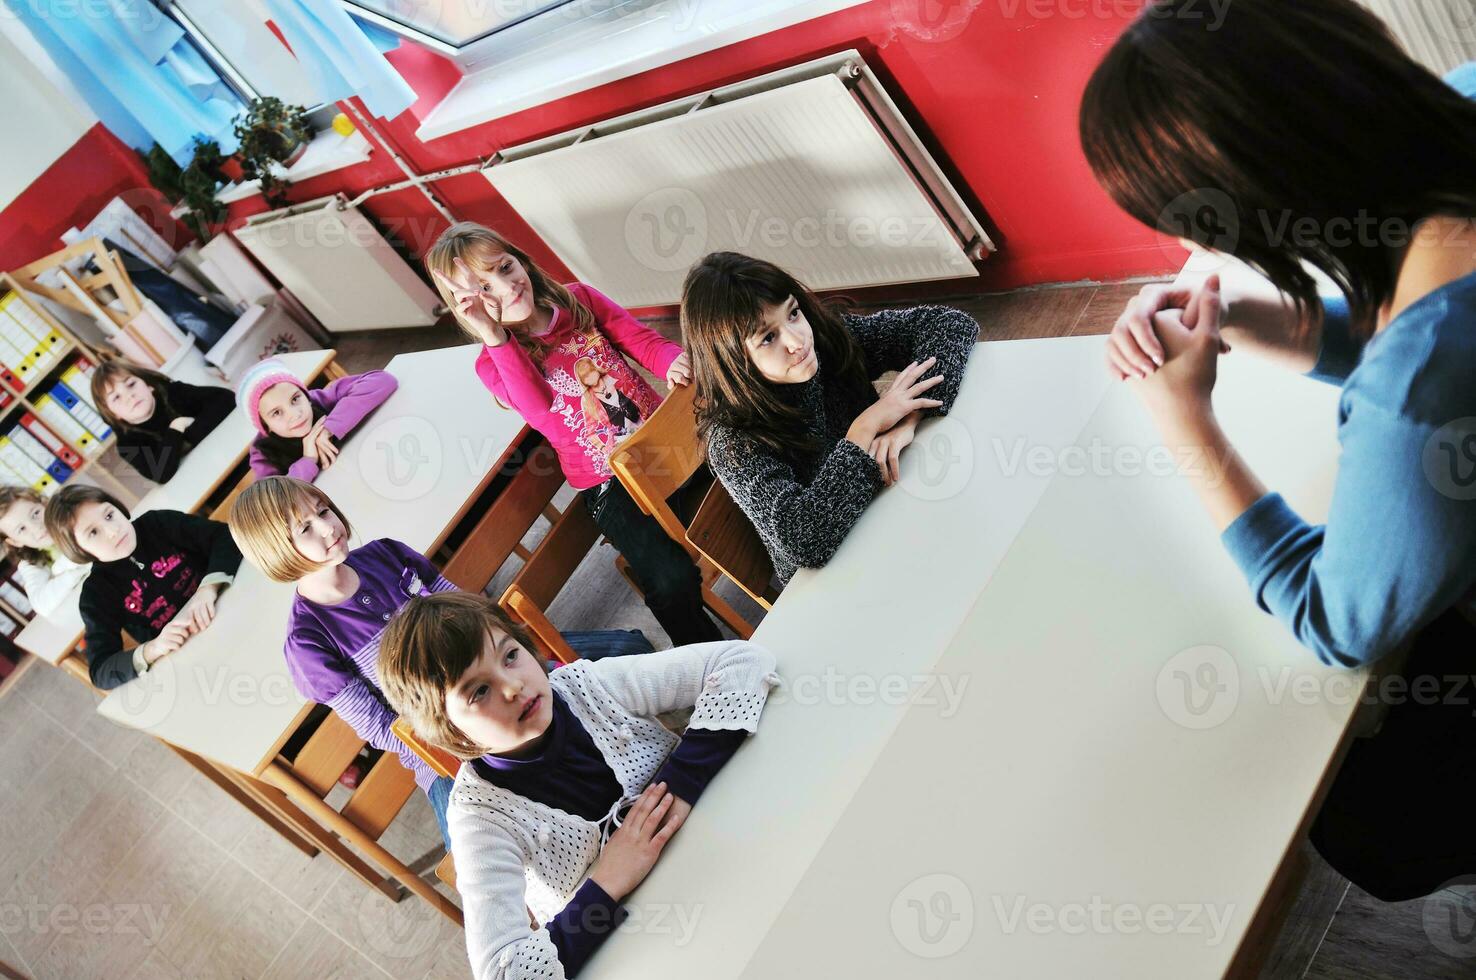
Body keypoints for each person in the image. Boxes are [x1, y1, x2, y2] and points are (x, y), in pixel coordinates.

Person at [1080, 0, 1476, 899]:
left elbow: (1340, 620)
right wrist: (1253, 320)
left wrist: (1189, 429)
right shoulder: (1460, 101)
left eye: (1198, 225)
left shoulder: (1416, 396)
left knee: (1362, 817)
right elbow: (1422, 328)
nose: (1189, 248)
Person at [228, 476, 655, 848]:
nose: (327, 527)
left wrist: (522, 662)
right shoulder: (308, 642)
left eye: (323, 510)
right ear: (276, 552)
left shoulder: (384, 554)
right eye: (305, 527)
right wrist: (470, 737)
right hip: (444, 740)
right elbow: (383, 727)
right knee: (479, 841)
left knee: (628, 652)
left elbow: (469, 610)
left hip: (494, 668)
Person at [377, 590, 778, 979]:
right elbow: (506, 973)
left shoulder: (588, 686)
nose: (513, 686)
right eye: (480, 691)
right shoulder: (480, 820)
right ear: (453, 733)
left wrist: (679, 789)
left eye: (510, 655)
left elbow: (740, 662)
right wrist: (610, 878)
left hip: (734, 855)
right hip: (656, 945)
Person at [425, 222, 721, 646]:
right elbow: (541, 411)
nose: (507, 288)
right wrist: (496, 336)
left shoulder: (578, 299)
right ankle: (708, 660)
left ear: (519, 258)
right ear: (464, 305)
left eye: (506, 268)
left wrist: (673, 360)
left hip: (664, 441)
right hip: (608, 485)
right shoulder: (492, 364)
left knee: (739, 490)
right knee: (672, 580)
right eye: (484, 289)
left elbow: (643, 341)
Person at [681, 251, 979, 584]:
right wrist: (864, 429)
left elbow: (948, 323)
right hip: (837, 577)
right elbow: (806, 542)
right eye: (768, 337)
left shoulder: (824, 340)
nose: (797, 341)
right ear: (732, 360)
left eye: (793, 313)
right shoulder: (732, 441)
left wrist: (911, 418)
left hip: (897, 504)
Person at [46, 485, 241, 689]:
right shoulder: (96, 593)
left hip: (234, 605)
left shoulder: (158, 524)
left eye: (110, 515)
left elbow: (225, 536)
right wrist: (152, 649)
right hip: (197, 656)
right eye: (93, 532)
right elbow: (101, 671)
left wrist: (208, 588)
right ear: (79, 550)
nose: (113, 531)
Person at [236, 358, 398, 480]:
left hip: (373, 465)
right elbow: (273, 503)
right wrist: (308, 460)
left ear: (305, 394)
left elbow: (383, 380)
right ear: (265, 425)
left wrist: (329, 427)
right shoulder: (264, 453)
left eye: (295, 399)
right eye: (276, 413)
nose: (294, 414)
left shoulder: (318, 400)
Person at [92, 359, 235, 483]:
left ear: (148, 384)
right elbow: (161, 473)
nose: (129, 396)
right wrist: (177, 427)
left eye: (131, 384)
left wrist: (190, 434)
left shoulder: (173, 393)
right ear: (112, 413)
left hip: (229, 454)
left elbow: (226, 399)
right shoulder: (126, 444)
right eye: (116, 397)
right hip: (202, 483)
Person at [0, 485, 90, 617]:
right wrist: (73, 572)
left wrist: (59, 571)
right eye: (21, 529)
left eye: (35, 513)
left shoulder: (74, 518)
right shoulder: (29, 563)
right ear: (15, 541)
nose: (36, 527)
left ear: (44, 504)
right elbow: (41, 604)